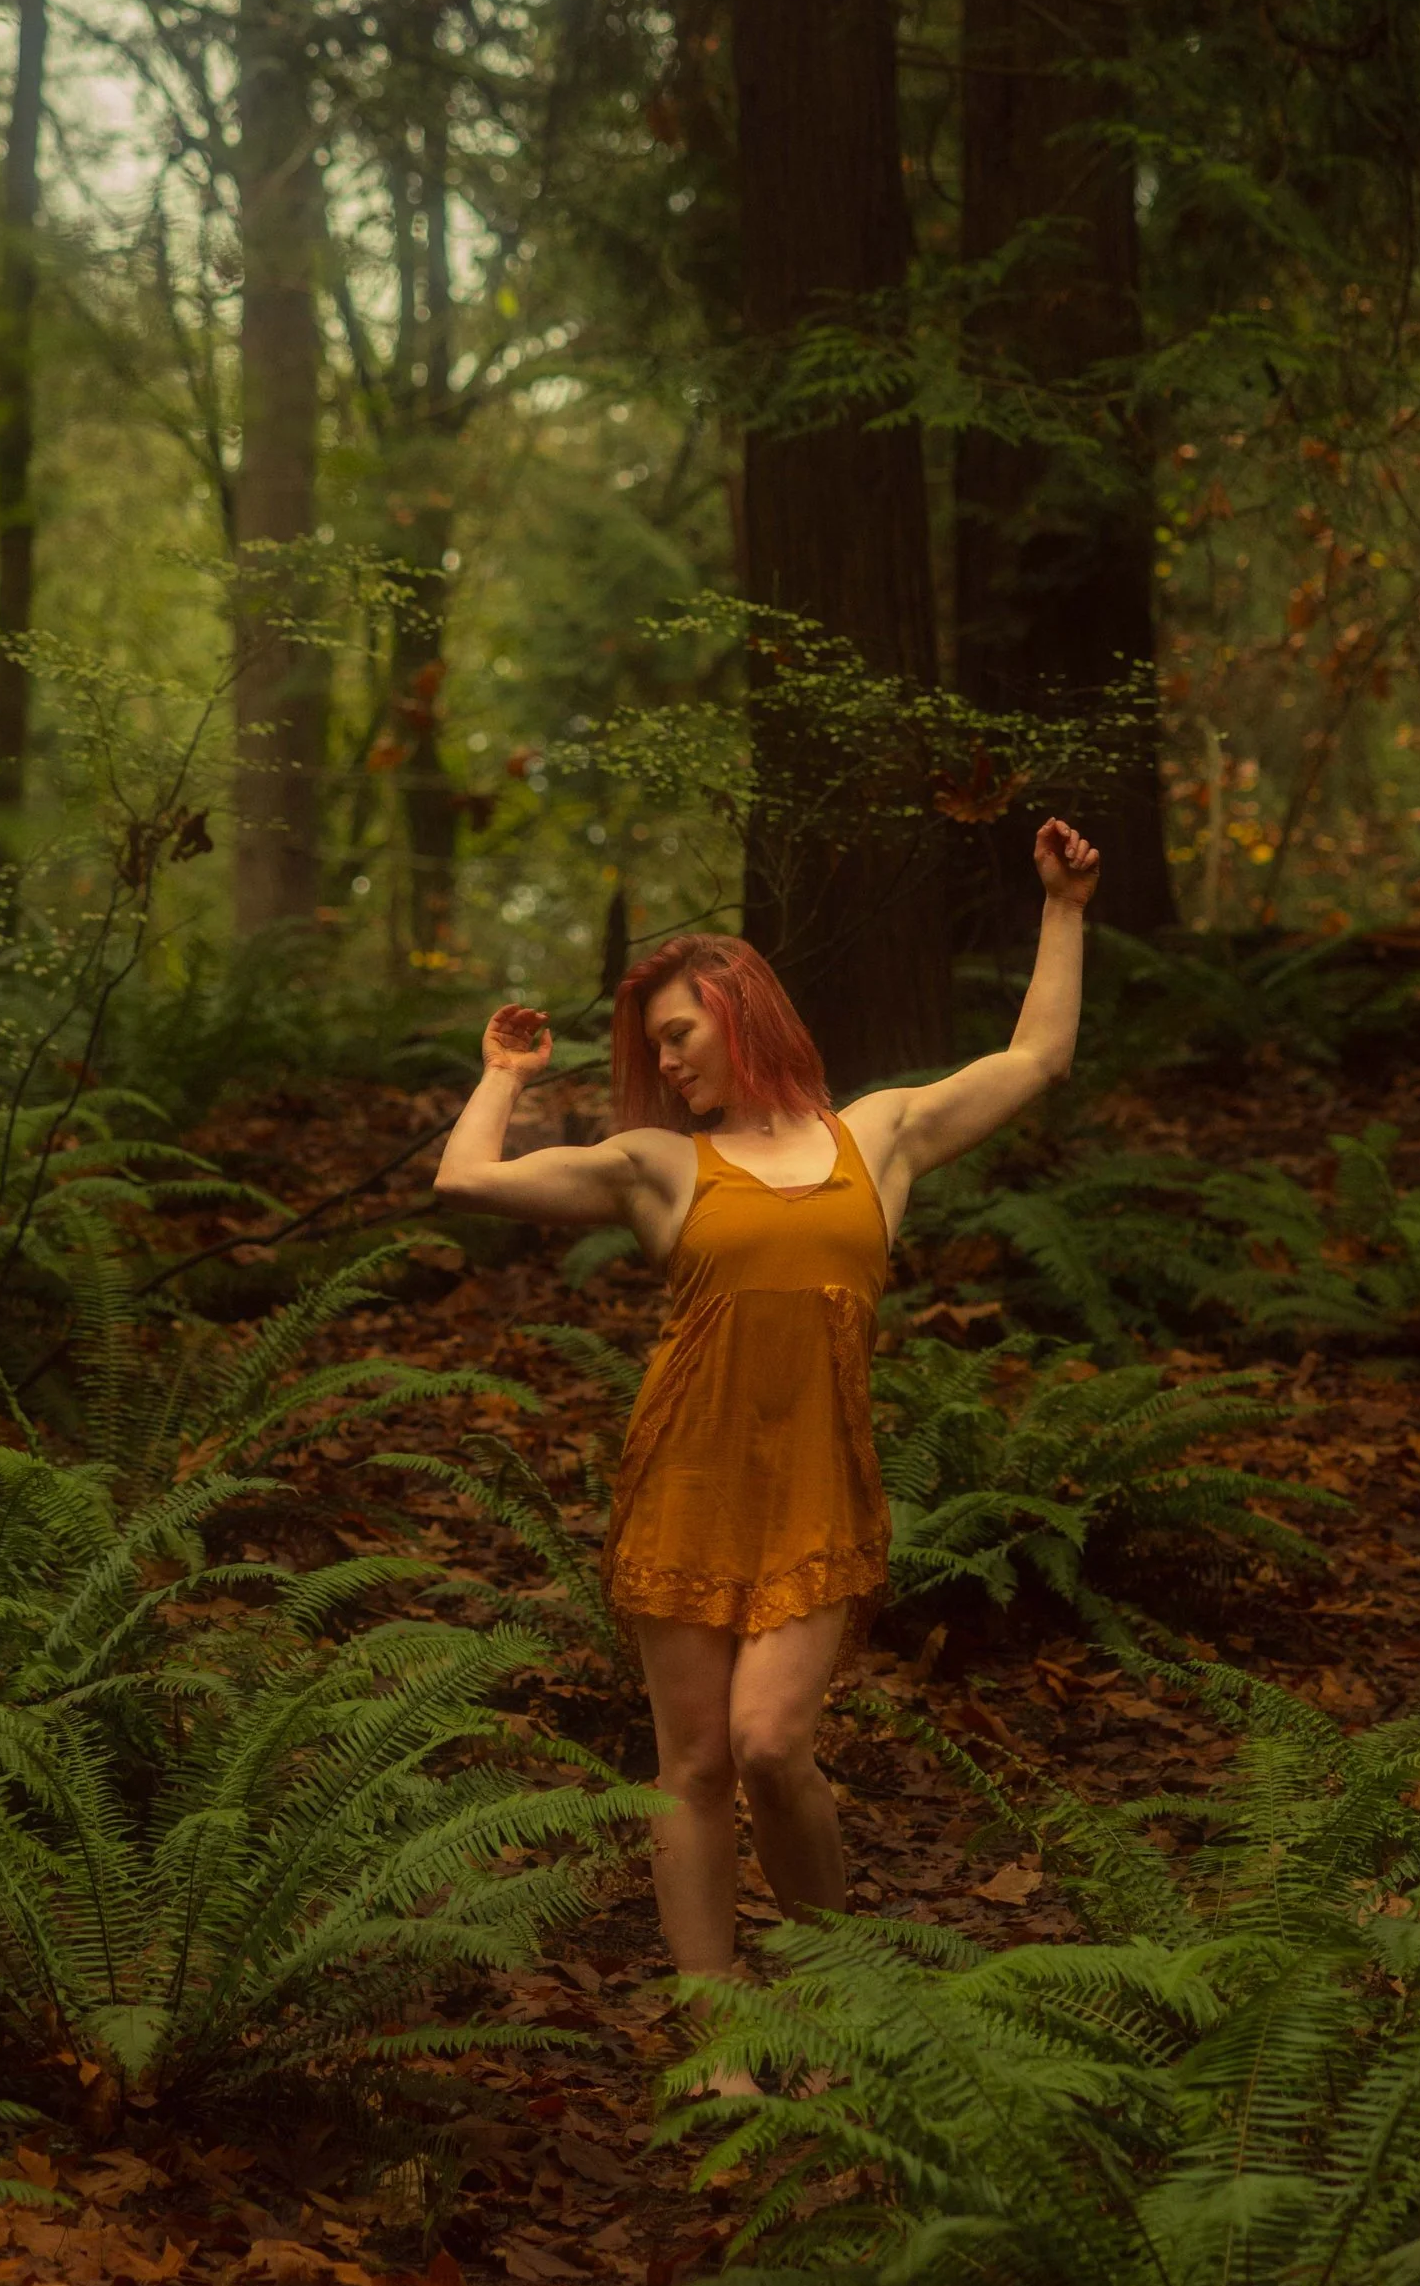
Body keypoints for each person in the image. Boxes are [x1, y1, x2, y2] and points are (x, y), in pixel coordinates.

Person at [432, 818, 1100, 2058]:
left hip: (815, 1489)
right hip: (684, 1485)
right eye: (654, 1048)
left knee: (769, 1743)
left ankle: (839, 1999)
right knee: (692, 1763)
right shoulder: (656, 1165)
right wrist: (504, 1078)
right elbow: (463, 1182)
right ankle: (721, 2042)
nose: (668, 1063)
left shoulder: (880, 1138)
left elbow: (1037, 1056)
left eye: (677, 1033)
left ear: (738, 1009)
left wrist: (1061, 905)